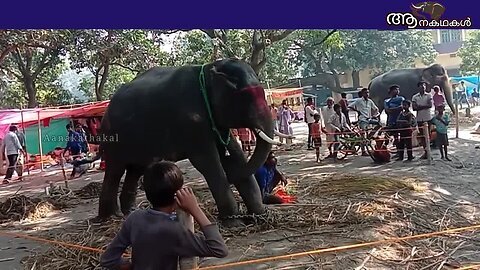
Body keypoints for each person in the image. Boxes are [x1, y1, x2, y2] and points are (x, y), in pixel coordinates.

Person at [100, 161, 228, 270]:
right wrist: (195, 209)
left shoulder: (134, 218)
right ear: (177, 195)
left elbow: (107, 259)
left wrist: (131, 265)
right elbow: (219, 249)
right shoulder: (174, 230)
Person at [349, 88, 379, 156]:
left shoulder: (370, 101)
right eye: (365, 93)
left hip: (369, 119)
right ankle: (363, 151)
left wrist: (374, 115)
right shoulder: (358, 101)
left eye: (368, 93)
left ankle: (369, 138)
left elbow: (376, 109)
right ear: (362, 94)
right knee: (363, 135)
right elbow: (350, 106)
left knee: (379, 124)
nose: (367, 94)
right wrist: (357, 111)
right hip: (362, 120)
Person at [412, 81, 433, 159]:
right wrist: (424, 106)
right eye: (421, 85)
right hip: (419, 119)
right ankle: (426, 151)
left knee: (428, 136)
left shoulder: (429, 95)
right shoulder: (415, 97)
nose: (422, 87)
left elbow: (430, 105)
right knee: (422, 136)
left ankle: (428, 152)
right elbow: (414, 108)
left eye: (424, 85)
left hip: (428, 118)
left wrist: (419, 106)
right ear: (418, 87)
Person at [384, 85, 405, 153]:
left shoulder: (401, 98)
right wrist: (397, 108)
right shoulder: (387, 101)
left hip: (401, 120)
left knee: (402, 136)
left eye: (398, 89)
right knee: (394, 136)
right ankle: (398, 151)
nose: (397, 91)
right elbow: (387, 110)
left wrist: (392, 109)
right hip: (392, 120)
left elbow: (402, 107)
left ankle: (401, 151)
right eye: (395, 89)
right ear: (391, 91)